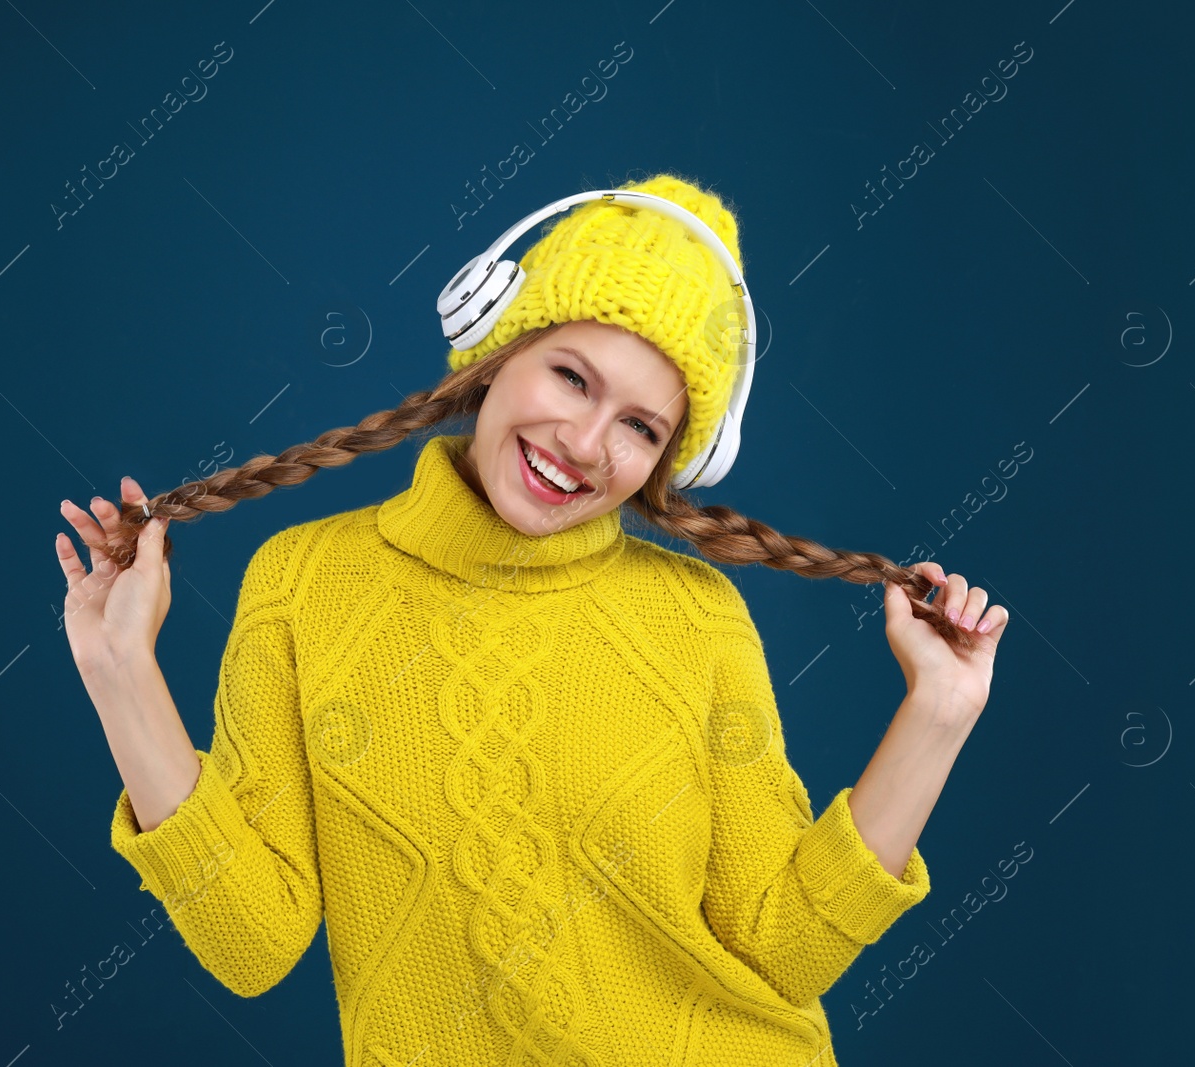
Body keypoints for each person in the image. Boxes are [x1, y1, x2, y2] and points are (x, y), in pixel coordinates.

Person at [53, 172, 1010, 1065]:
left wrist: (940, 713)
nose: (586, 443)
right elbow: (250, 941)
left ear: (673, 460)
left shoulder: (699, 618)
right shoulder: (305, 583)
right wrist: (119, 667)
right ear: (495, 347)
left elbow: (782, 949)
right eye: (572, 377)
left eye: (642, 426)